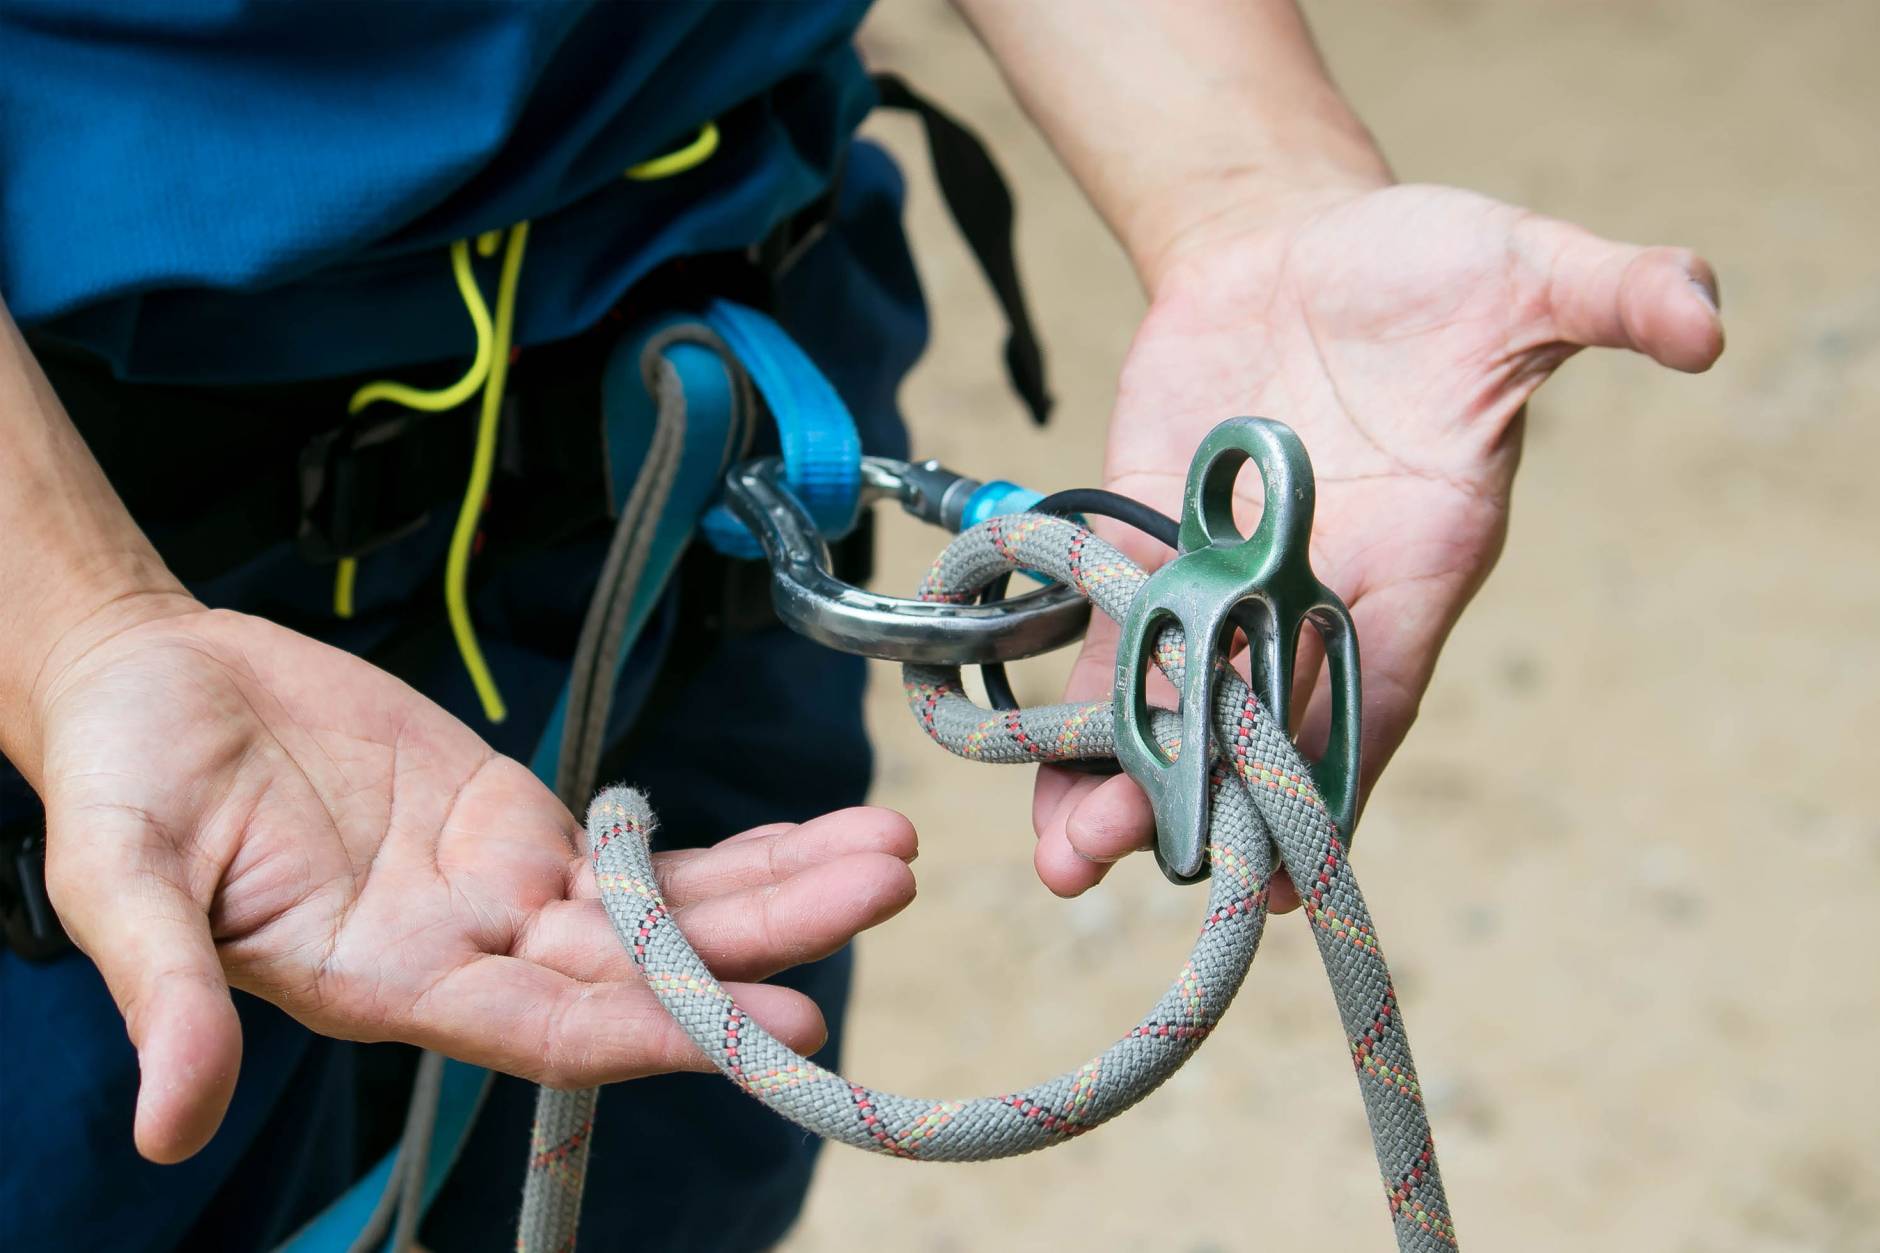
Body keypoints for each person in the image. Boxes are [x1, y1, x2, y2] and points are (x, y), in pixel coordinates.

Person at [0, 1, 1724, 1249]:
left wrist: (1253, 196)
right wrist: (76, 626)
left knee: (672, 1185)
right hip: (83, 517)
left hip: (697, 425)